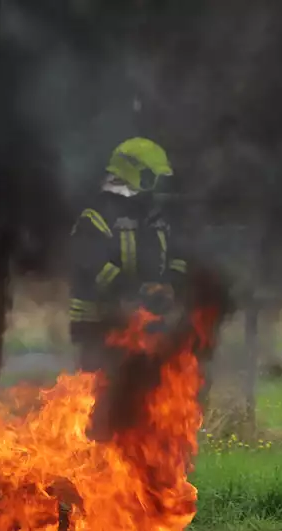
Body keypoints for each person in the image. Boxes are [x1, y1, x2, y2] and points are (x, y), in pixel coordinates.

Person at [68, 137, 189, 372]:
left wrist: (171, 285)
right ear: (134, 173)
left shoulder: (156, 217)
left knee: (148, 394)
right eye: (153, 178)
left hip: (149, 322)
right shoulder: (97, 216)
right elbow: (93, 268)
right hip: (99, 326)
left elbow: (178, 256)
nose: (158, 187)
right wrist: (137, 291)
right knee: (103, 395)